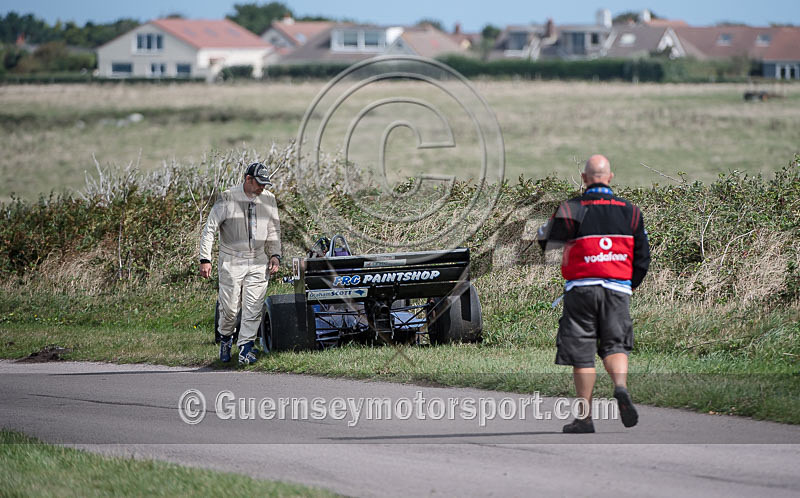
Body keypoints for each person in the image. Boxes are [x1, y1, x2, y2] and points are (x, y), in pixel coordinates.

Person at [537, 155, 650, 433]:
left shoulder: (572, 208)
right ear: (610, 178)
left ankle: (584, 418)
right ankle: (620, 387)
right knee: (615, 346)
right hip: (617, 290)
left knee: (582, 355)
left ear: (585, 179)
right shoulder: (631, 211)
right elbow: (643, 257)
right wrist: (628, 285)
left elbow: (547, 242)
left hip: (582, 290)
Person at [199, 162, 282, 365]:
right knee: (230, 309)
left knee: (253, 306)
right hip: (232, 260)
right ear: (248, 179)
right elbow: (210, 229)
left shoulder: (268, 199)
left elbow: (273, 230)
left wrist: (275, 255)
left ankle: (246, 348)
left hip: (257, 260)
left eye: (265, 184)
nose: (262, 187)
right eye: (259, 183)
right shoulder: (228, 197)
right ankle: (226, 339)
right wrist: (205, 258)